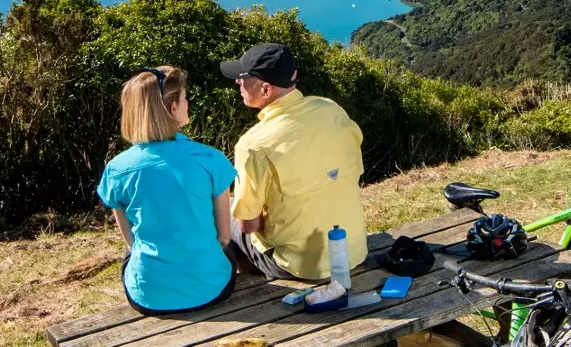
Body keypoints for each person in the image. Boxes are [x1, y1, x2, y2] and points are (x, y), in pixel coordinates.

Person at [97, 66, 237, 315]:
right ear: (173, 109)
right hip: (212, 289)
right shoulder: (210, 159)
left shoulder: (117, 169)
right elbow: (224, 238)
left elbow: (130, 242)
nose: (188, 103)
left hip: (148, 297)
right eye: (185, 98)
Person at [221, 43, 368, 280]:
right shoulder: (331, 110)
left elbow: (248, 225)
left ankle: (247, 276)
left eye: (243, 78)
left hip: (298, 265)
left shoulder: (253, 145)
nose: (238, 83)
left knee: (222, 210)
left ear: (266, 89)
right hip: (353, 252)